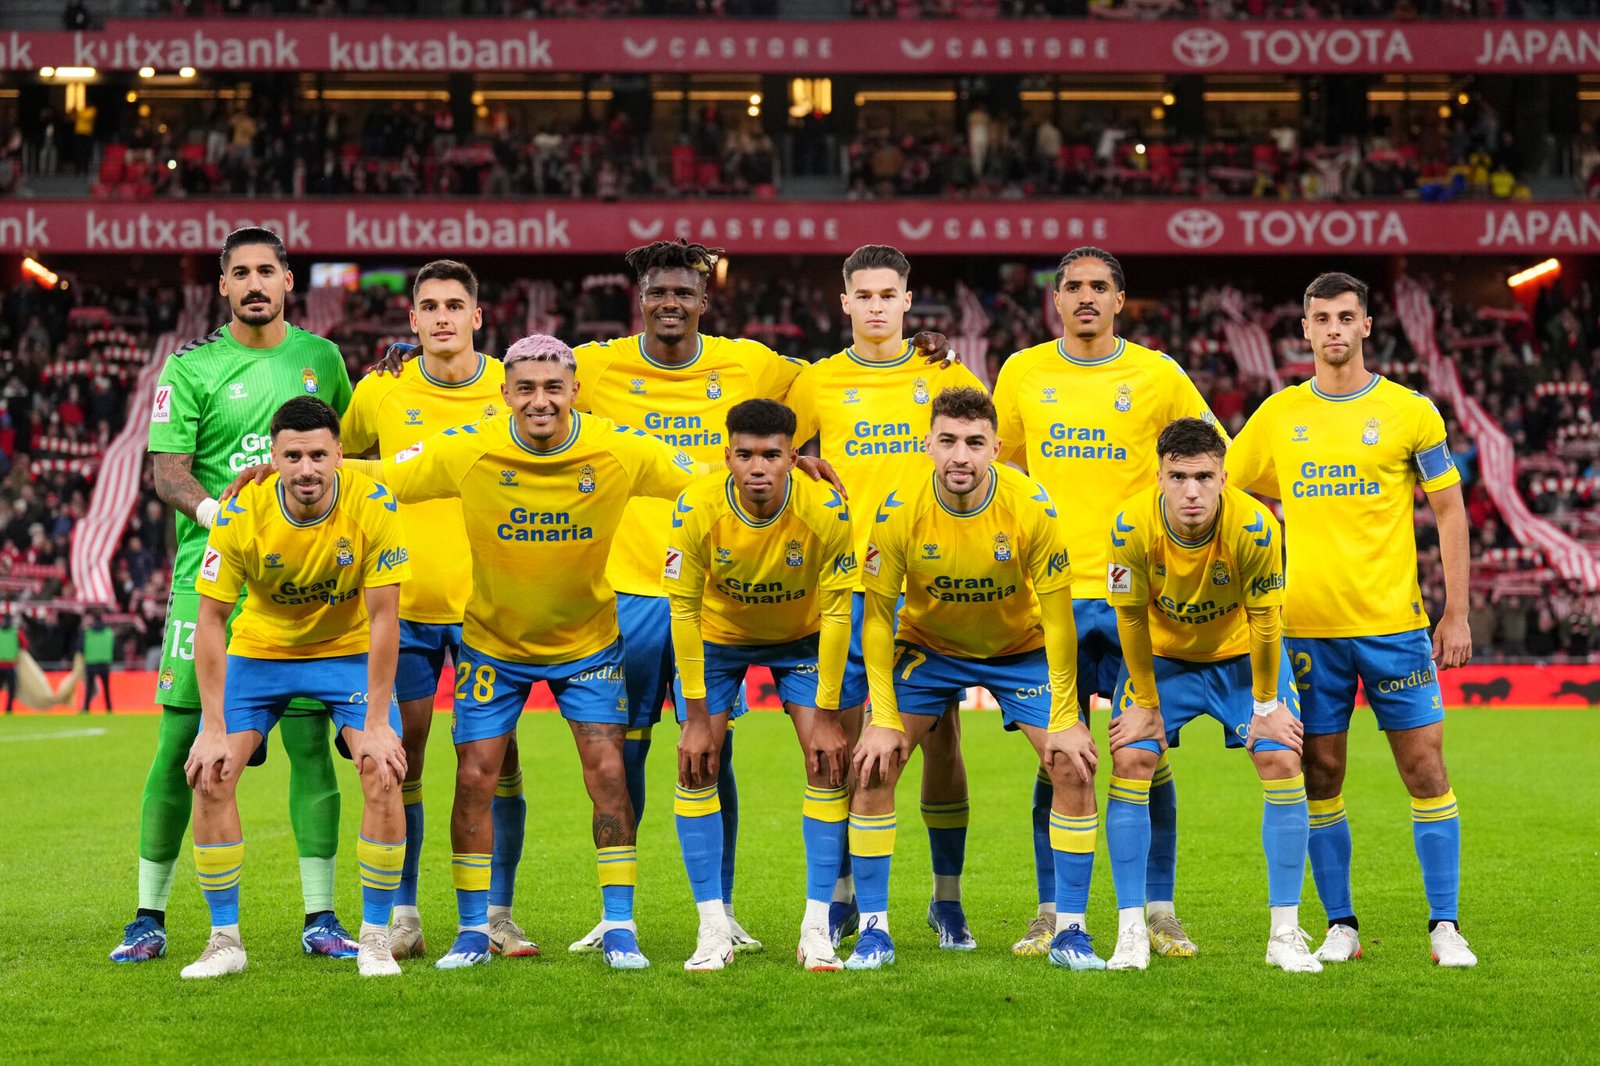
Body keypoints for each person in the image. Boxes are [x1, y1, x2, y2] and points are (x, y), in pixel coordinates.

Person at [564, 239, 948, 954]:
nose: (670, 304)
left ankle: (727, 908)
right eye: (658, 293)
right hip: (636, 585)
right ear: (640, 298)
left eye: (683, 293)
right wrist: (413, 349)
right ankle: (620, 911)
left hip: (749, 591)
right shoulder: (594, 363)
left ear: (704, 301)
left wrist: (918, 352)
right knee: (630, 755)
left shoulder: (754, 363)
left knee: (718, 751)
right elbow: (515, 378)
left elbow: (828, 391)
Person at [350, 334, 697, 972]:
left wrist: (792, 469)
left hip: (589, 644)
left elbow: (706, 482)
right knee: (475, 778)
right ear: (505, 394)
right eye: (527, 389)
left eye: (553, 387)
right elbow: (383, 476)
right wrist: (302, 466)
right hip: (493, 646)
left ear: (574, 391)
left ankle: (620, 926)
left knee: (610, 775)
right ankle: (472, 932)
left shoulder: (619, 448)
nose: (540, 401)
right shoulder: (471, 447)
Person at [112, 227, 357, 965]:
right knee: (181, 746)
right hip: (209, 582)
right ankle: (148, 915)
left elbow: (353, 453)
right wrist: (221, 516)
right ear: (223, 286)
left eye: (267, 271)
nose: (255, 283)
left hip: (306, 583)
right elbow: (167, 472)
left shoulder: (322, 361)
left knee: (311, 744)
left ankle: (320, 916)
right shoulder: (192, 370)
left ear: (288, 281)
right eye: (240, 273)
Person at [1226, 271, 1476, 968]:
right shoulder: (1279, 416)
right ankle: (1341, 925)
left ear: (1367, 325)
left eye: (1345, 317)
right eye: (1320, 318)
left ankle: (1446, 926)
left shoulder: (1411, 413)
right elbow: (1230, 487)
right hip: (1305, 630)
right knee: (1321, 773)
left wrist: (1456, 613)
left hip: (1395, 627)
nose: (1333, 329)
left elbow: (1449, 509)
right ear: (1304, 330)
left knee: (1425, 766)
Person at [992, 247, 1222, 958]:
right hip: (1049, 594)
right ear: (1054, 299)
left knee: (1141, 750)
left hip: (1133, 596)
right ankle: (1051, 908)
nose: (1086, 297)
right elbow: (999, 474)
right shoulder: (1022, 372)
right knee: (1055, 756)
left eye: (1100, 287)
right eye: (1073, 287)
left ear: (1121, 300)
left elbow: (1217, 459)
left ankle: (1159, 908)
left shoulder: (1158, 375)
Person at [846, 387, 1101, 971]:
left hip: (1018, 648)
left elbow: (1060, 621)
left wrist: (1065, 715)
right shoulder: (895, 510)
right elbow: (878, 621)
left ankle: (1072, 931)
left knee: (1074, 762)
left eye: (975, 443)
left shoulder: (1031, 504)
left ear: (996, 448)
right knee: (875, 763)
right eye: (949, 441)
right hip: (928, 647)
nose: (961, 455)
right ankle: (874, 930)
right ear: (927, 444)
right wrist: (883, 717)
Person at [787, 244, 986, 950]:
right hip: (844, 582)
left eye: (887, 295)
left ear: (908, 301)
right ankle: (842, 898)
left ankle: (947, 900)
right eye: (862, 295)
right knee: (838, 739)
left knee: (940, 741)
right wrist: (801, 461)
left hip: (928, 583)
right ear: (844, 303)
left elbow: (983, 452)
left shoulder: (943, 371)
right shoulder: (817, 382)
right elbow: (776, 454)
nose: (875, 305)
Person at [341, 260, 536, 961]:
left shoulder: (514, 388)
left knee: (496, 759)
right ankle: (403, 914)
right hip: (408, 603)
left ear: (479, 318)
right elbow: (337, 459)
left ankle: (499, 914)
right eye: (430, 306)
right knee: (406, 757)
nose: (444, 316)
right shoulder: (380, 390)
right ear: (413, 320)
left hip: (492, 604)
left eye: (457, 305)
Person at [179, 397, 409, 979]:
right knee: (210, 772)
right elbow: (210, 621)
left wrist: (379, 723)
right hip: (261, 652)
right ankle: (224, 941)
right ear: (272, 456)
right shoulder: (240, 513)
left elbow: (386, 618)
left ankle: (376, 938)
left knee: (383, 769)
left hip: (347, 652)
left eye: (317, 455)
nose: (306, 468)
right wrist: (210, 729)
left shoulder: (374, 505)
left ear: (339, 455)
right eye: (292, 456)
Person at [1104, 417, 1319, 973]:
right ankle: (1131, 931)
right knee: (1130, 757)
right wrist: (1146, 705)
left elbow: (1266, 622)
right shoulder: (1128, 526)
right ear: (1159, 477)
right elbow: (1129, 621)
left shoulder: (1256, 527)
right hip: (1165, 662)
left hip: (1239, 659)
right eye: (1178, 477)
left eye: (1204, 476)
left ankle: (1286, 934)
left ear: (1224, 477)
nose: (1191, 491)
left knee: (1280, 756)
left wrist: (1267, 707)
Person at [663, 398, 857, 972]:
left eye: (772, 455)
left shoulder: (827, 510)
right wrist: (697, 719)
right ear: (727, 456)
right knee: (695, 763)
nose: (757, 467)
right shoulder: (695, 507)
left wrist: (824, 715)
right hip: (720, 639)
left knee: (827, 763)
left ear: (793, 457)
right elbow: (684, 613)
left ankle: (817, 927)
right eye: (744, 454)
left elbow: (840, 614)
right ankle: (711, 928)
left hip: (801, 638)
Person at [78, 609, 116, 714]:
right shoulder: (109, 632)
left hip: (91, 663)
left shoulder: (87, 632)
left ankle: (86, 708)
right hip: (105, 663)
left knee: (89, 689)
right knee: (106, 689)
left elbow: (80, 647)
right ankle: (109, 708)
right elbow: (114, 647)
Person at [0, 613, 21, 713]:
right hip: (6, 665)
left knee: (12, 688)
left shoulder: (16, 632)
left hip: (10, 665)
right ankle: (8, 708)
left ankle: (9, 708)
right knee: (11, 688)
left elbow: (25, 644)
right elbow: (25, 645)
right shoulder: (16, 632)